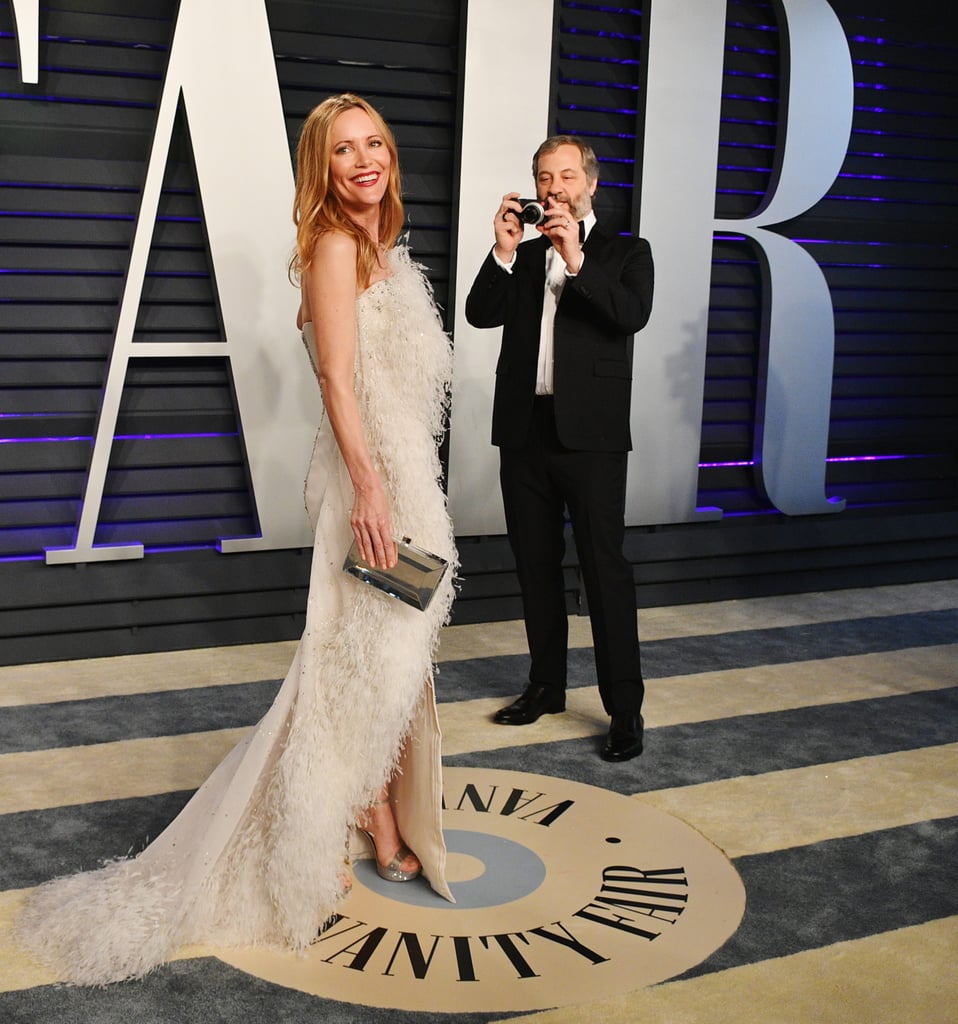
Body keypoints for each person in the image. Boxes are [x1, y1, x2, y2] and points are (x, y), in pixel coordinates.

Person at [17, 93, 457, 985]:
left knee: (381, 661)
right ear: (322, 169)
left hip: (408, 480)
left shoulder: (389, 253)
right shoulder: (336, 247)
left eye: (375, 143)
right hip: (368, 487)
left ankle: (373, 807)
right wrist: (371, 489)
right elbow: (336, 377)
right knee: (348, 659)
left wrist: (401, 481)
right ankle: (348, 820)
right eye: (345, 151)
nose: (365, 161)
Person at [465, 135, 654, 762]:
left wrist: (575, 258)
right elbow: (477, 313)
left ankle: (623, 708)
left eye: (566, 176)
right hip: (524, 432)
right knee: (535, 566)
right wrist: (502, 249)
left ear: (590, 184)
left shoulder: (627, 252)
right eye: (544, 177)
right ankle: (545, 686)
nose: (553, 188)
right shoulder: (521, 255)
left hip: (592, 441)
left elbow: (628, 314)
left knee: (605, 569)